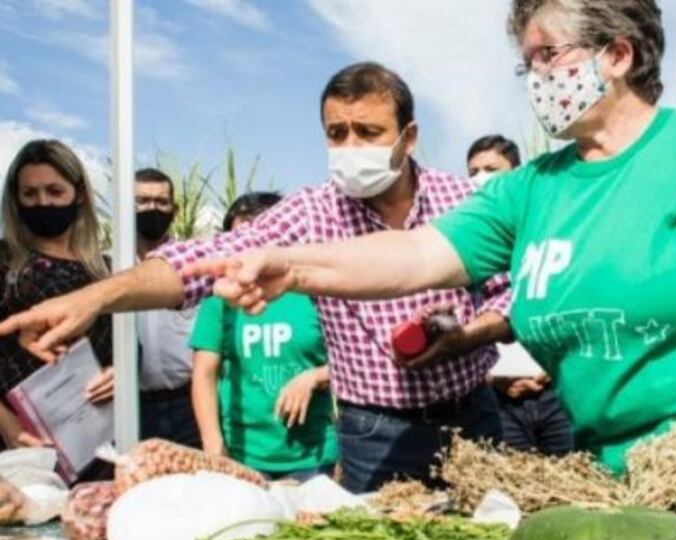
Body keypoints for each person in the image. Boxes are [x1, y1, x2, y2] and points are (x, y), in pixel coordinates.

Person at [175, 0, 676, 486]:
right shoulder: (531, 189)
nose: (535, 77)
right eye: (527, 62)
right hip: (619, 474)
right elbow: (416, 254)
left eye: (548, 55)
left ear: (617, 54)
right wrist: (291, 265)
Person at [0, 63, 511, 494]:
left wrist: (469, 336)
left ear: (409, 136)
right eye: (337, 133)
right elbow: (210, 256)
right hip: (372, 432)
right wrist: (96, 298)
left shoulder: (462, 203)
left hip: (471, 418)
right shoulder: (313, 213)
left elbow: (510, 292)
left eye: (369, 133)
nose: (351, 147)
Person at [190, 192, 337, 480]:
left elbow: (355, 361)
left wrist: (314, 377)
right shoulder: (220, 300)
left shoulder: (314, 292)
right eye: (238, 242)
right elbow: (204, 374)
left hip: (311, 456)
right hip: (242, 455)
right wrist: (213, 446)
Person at [0, 139, 114, 456]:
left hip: (98, 438)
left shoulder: (103, 270)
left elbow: (129, 343)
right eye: (30, 194)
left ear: (77, 194)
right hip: (22, 441)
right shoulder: (5, 261)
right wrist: (6, 422)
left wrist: (119, 373)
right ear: (16, 199)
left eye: (54, 191)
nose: (42, 202)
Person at [467, 134, 574, 455]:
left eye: (490, 168)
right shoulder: (469, 253)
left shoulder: (546, 233)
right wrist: (493, 379)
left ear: (517, 174)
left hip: (558, 394)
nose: (480, 178)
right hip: (500, 402)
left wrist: (557, 365)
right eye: (472, 172)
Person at [134, 168, 200, 448]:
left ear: (174, 209)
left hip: (189, 403)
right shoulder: (108, 267)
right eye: (143, 201)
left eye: (161, 202)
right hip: (130, 405)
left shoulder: (195, 263)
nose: (152, 208)